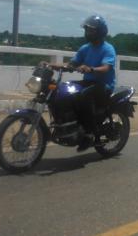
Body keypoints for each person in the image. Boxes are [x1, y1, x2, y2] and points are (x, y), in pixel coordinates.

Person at [50, 15, 116, 151]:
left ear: (100, 32)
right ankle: (65, 125)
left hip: (104, 85)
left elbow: (106, 67)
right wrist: (52, 65)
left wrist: (91, 68)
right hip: (89, 82)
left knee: (83, 95)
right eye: (87, 30)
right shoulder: (85, 48)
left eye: (91, 30)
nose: (88, 33)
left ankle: (89, 134)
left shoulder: (108, 49)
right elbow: (72, 63)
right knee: (63, 89)